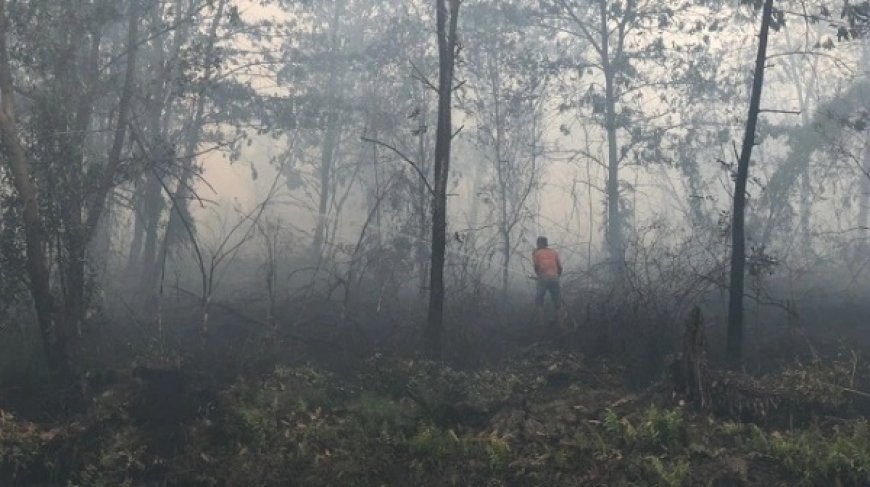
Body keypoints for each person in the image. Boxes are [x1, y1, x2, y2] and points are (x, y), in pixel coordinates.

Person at [532, 236, 562, 322]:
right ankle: (559, 323)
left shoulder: (536, 253)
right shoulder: (554, 252)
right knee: (557, 303)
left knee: (539, 302)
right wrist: (556, 276)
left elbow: (536, 267)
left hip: (543, 279)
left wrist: (539, 276)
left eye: (538, 243)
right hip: (555, 278)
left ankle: (542, 324)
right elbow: (560, 267)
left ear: (539, 244)